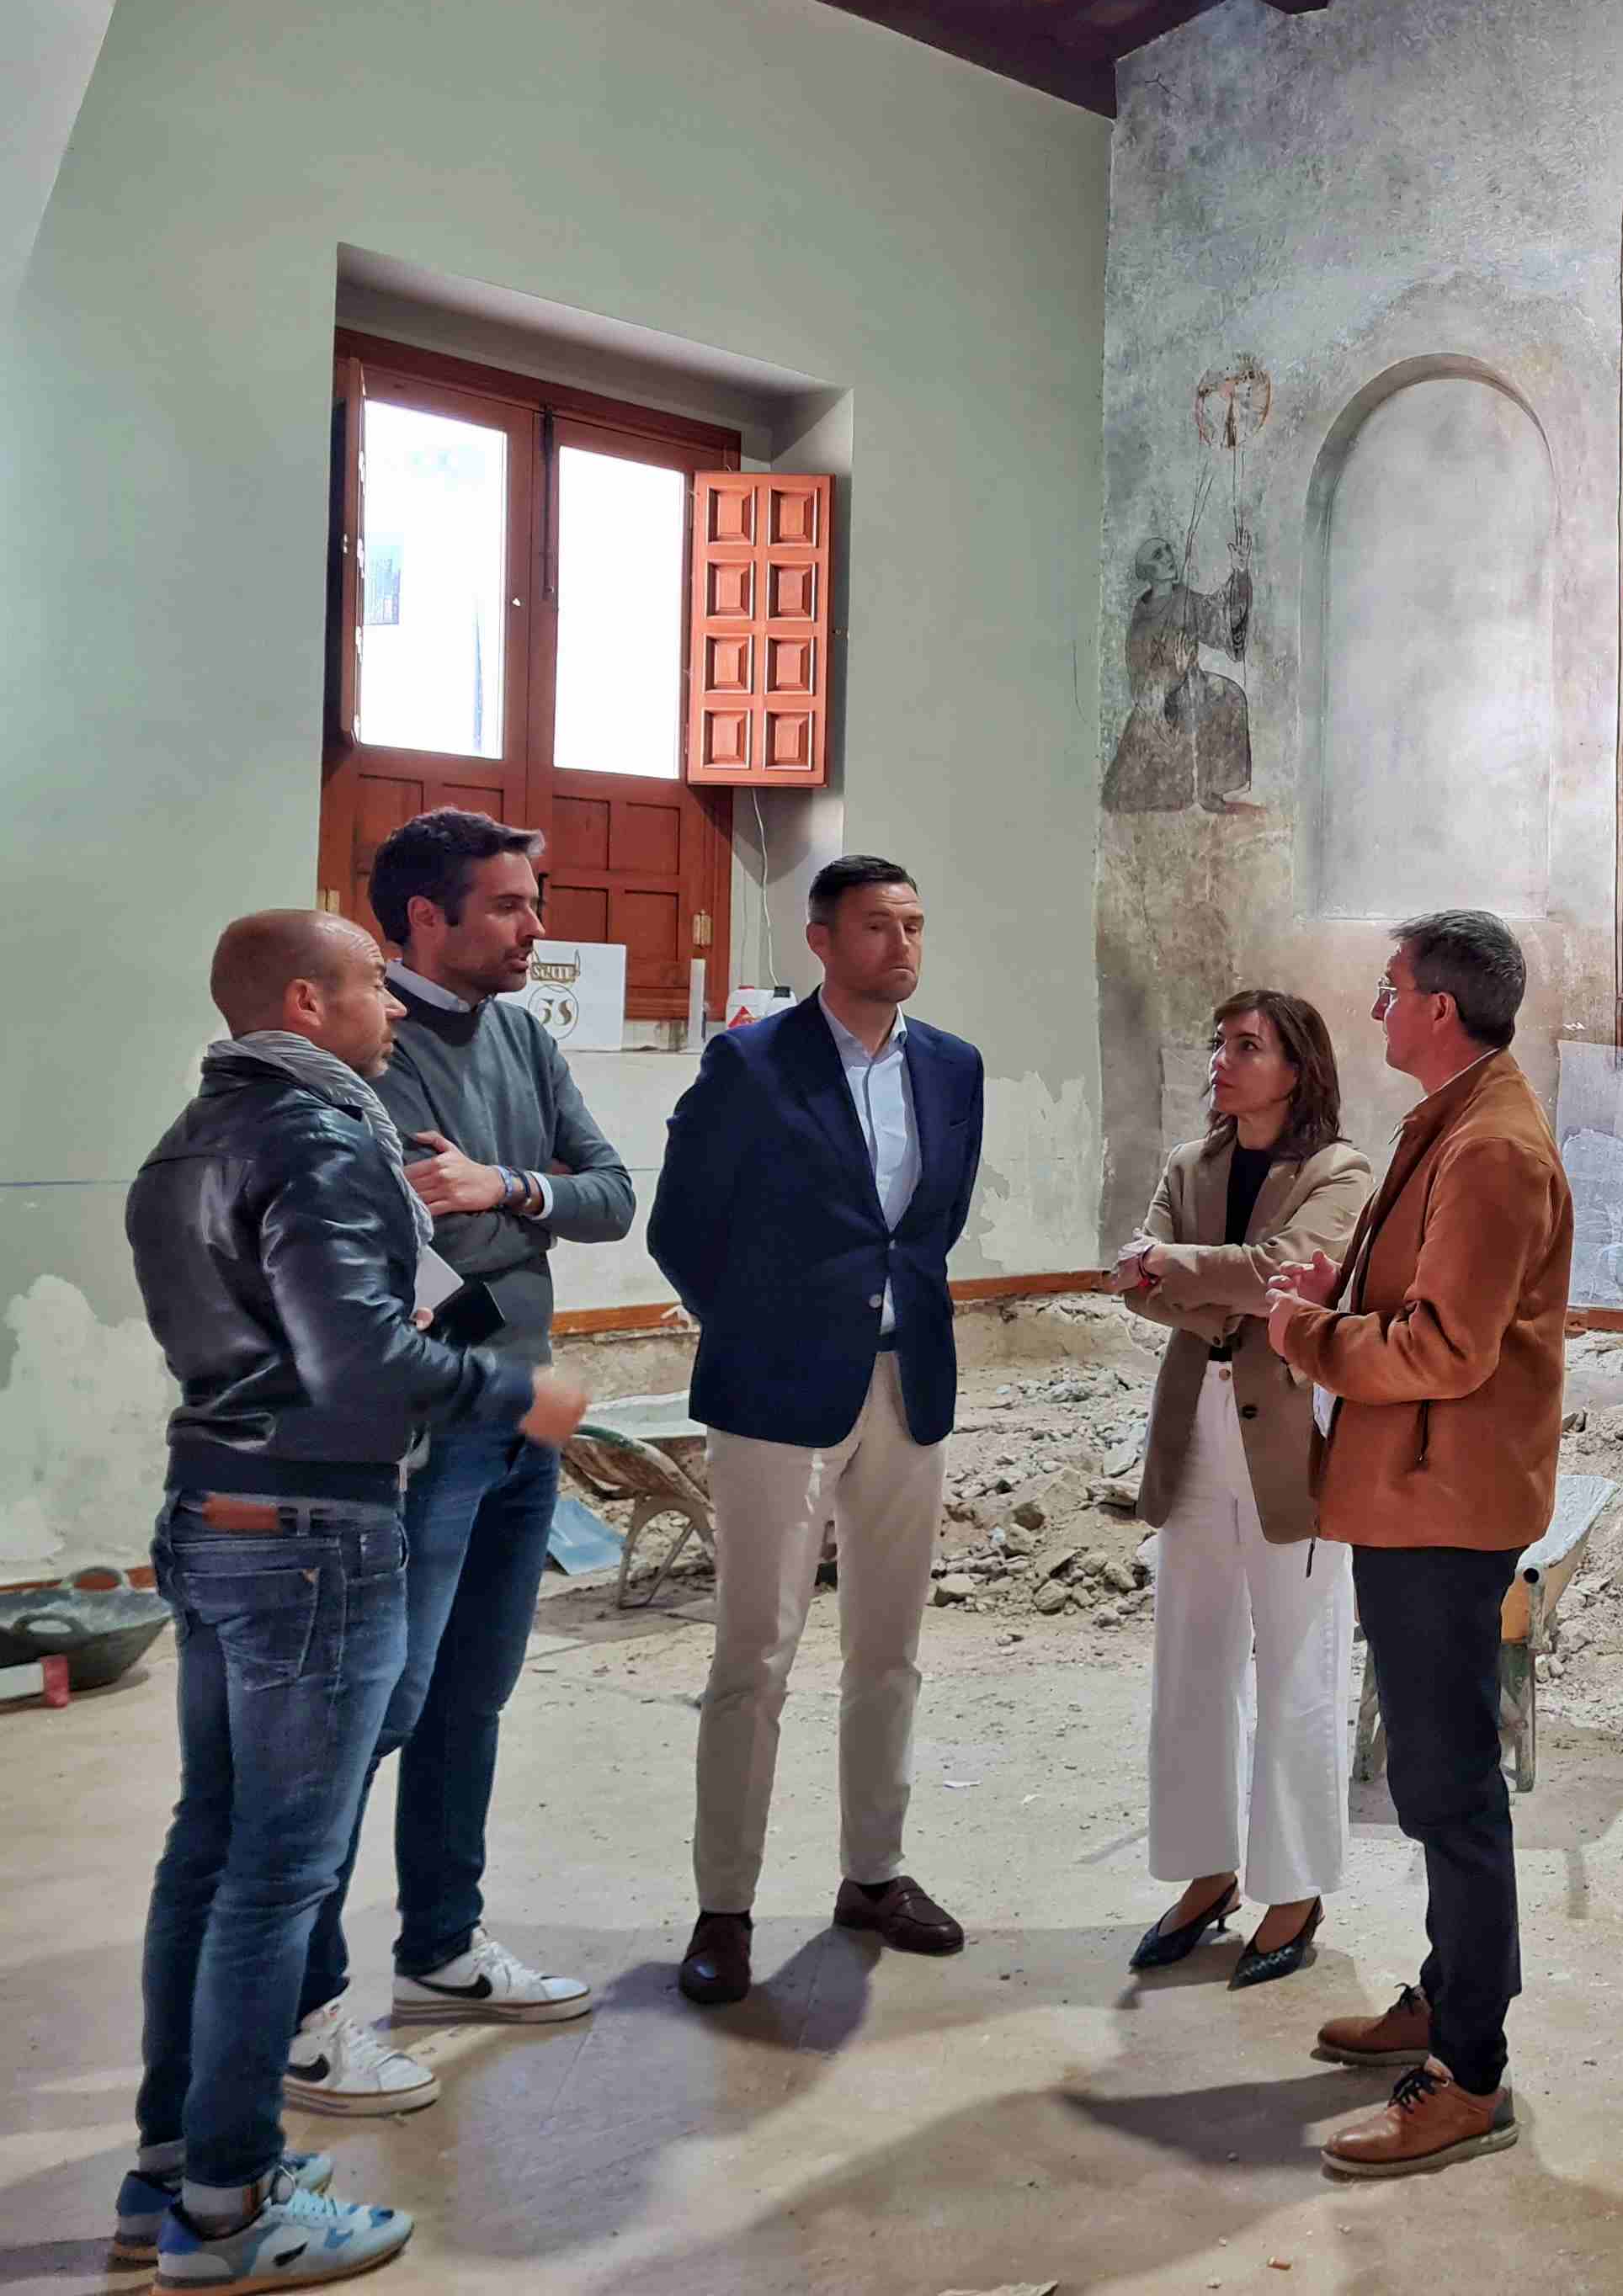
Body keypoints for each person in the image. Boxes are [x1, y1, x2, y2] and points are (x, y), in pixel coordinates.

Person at [120, 910, 586, 2288]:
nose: (394, 1004)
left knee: (211, 1849)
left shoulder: (192, 1136)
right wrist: (523, 1390)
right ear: (306, 1000)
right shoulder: (321, 1136)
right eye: (375, 983)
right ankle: (230, 2203)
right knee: (277, 1872)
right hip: (315, 1531)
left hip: (214, 1509)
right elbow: (361, 1361)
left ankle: (177, 2161)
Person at [286, 810, 635, 2121]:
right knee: (376, 1710)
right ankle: (305, 2009)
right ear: (422, 918)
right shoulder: (361, 1057)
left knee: (471, 1698)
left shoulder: (524, 1037)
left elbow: (610, 1194)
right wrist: (502, 1218)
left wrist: (510, 1190)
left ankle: (440, 1945)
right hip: (427, 1432)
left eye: (532, 903)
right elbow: (399, 1256)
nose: (535, 929)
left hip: (525, 1415)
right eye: (508, 907)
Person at [1265, 911, 1572, 2181]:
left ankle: (1470, 2076)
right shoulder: (1453, 1117)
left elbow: (1448, 1349)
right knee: (1436, 1782)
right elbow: (1426, 1303)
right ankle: (1445, 2004)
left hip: (1446, 1508)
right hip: (1417, 1496)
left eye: (1390, 991)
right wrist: (1345, 1292)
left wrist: (1311, 1342)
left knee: (1451, 1793)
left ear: (1441, 1007)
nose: (1377, 1009)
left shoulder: (1491, 1145)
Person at [649, 854, 985, 2006]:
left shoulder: (952, 1067)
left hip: (909, 1387)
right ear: (823, 941)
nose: (902, 944)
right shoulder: (750, 1064)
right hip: (776, 1393)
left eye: (915, 923)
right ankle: (725, 1908)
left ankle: (873, 1875)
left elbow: (929, 1230)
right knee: (755, 1652)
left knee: (889, 1648)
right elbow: (682, 1227)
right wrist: (766, 1328)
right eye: (878, 926)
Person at [1109, 992, 1373, 1988]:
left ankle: (1295, 1888)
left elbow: (1286, 1275)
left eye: (1247, 1046)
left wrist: (1184, 1269)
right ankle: (1207, 1873)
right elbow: (1140, 1290)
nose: (1223, 1059)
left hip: (1288, 1437)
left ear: (1295, 1066)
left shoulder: (1340, 1171)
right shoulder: (1191, 1165)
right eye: (1218, 1041)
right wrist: (1210, 1282)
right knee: (1190, 1657)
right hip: (1192, 1427)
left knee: (1298, 1661)